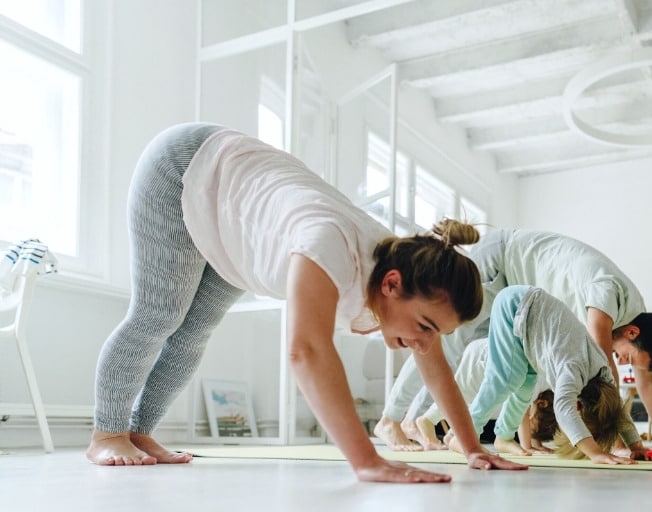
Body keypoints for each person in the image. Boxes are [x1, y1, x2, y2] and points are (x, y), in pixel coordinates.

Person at [85, 122, 525, 483]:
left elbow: (434, 361)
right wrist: (368, 462)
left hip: (236, 224)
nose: (425, 343)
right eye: (426, 326)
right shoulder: (328, 244)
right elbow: (306, 350)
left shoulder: (398, 273)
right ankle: (106, 433)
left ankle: (139, 433)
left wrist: (472, 449)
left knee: (193, 332)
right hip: (186, 168)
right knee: (160, 314)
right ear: (392, 284)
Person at [374, 228, 652, 449]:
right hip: (501, 265)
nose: (622, 363)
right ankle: (392, 420)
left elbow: (645, 379)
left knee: (495, 369)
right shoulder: (609, 293)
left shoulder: (635, 317)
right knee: (441, 340)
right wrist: (612, 440)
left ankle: (424, 421)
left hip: (520, 306)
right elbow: (604, 376)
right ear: (632, 332)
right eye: (627, 358)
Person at [442, 285, 648, 464]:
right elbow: (564, 409)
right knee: (505, 379)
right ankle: (463, 435)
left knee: (526, 387)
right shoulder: (573, 369)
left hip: (530, 327)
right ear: (580, 407)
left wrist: (636, 445)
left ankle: (503, 437)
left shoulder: (604, 376)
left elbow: (618, 414)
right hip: (515, 306)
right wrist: (595, 453)